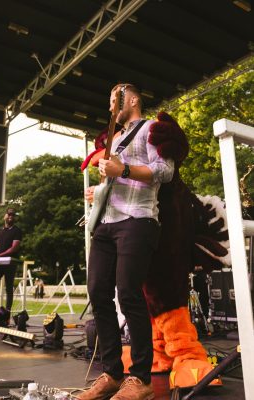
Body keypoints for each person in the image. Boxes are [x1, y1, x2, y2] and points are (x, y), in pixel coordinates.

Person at [77, 84, 175, 400]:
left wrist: (124, 169)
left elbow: (166, 170)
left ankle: (141, 379)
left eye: (114, 100)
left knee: (129, 292)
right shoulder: (114, 140)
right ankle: (112, 373)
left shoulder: (152, 129)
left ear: (131, 100)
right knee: (97, 292)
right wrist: (99, 190)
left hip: (138, 219)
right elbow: (112, 180)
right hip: (107, 224)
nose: (110, 106)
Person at [0, 207, 22, 326]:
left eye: (13, 215)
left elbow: (14, 248)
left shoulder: (17, 231)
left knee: (8, 288)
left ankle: (6, 316)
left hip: (9, 263)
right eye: (9, 215)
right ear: (5, 216)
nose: (11, 216)